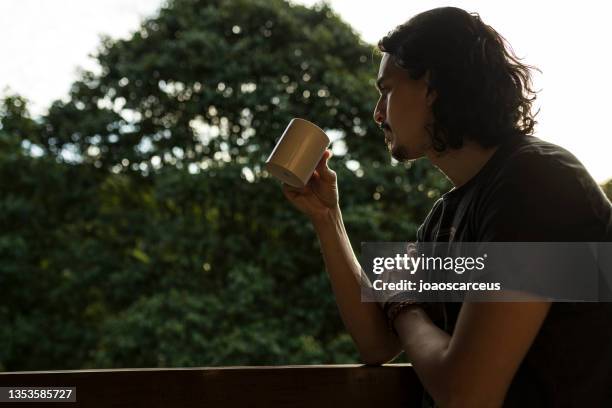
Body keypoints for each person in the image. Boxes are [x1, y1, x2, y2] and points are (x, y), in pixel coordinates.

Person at [282, 6, 612, 407]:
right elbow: (377, 344)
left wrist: (404, 303)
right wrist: (327, 217)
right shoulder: (445, 216)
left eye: (386, 89)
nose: (377, 113)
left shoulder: (538, 182)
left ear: (433, 84)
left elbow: (467, 394)